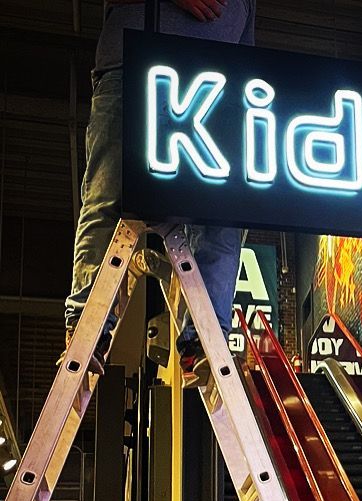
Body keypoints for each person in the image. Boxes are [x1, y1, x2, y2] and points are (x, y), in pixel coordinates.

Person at [66, 0, 257, 371]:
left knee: (223, 218)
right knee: (109, 197)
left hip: (219, 88)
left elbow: (247, 42)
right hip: (134, 67)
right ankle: (86, 329)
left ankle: (204, 340)